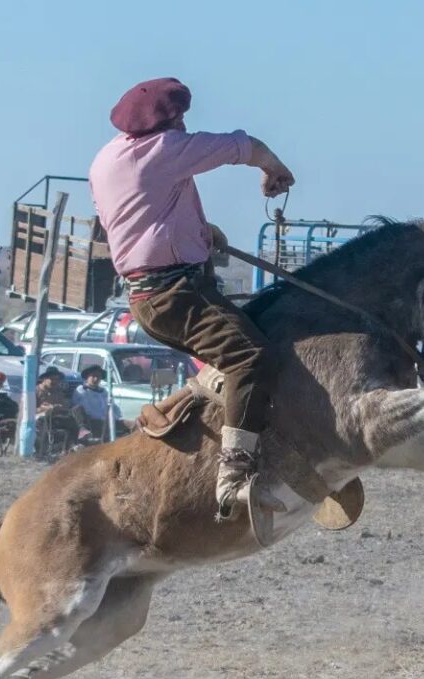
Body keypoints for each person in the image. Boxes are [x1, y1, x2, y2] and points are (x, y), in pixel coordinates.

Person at [88, 77, 294, 519]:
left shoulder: (107, 159)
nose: (183, 125)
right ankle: (234, 475)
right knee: (249, 357)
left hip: (153, 294)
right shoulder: (165, 149)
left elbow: (141, 215)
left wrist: (201, 233)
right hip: (174, 293)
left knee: (238, 349)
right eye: (180, 117)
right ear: (171, 120)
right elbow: (242, 145)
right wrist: (273, 167)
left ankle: (174, 409)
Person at [71, 365, 122, 442]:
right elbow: (84, 408)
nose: (96, 379)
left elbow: (113, 407)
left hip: (109, 421)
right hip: (94, 422)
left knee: (131, 424)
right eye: (93, 376)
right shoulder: (82, 390)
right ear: (87, 377)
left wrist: (115, 417)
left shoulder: (104, 391)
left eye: (98, 377)